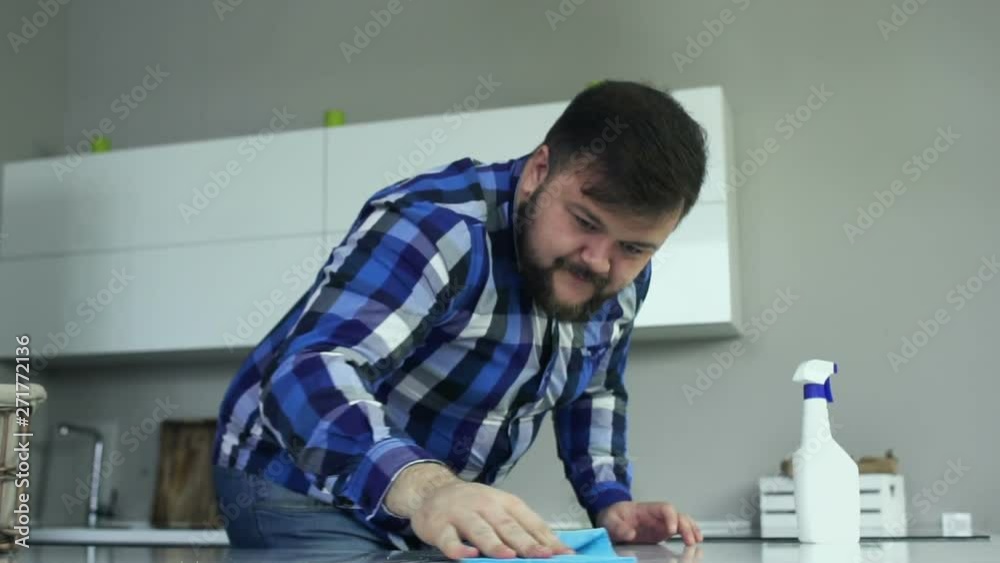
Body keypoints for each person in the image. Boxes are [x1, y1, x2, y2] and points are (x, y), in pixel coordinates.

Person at [211, 79, 709, 559]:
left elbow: (595, 388)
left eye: (633, 247)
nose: (598, 262)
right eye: (584, 221)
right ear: (539, 172)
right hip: (296, 481)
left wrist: (609, 499)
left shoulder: (624, 277)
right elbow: (309, 371)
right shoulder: (437, 227)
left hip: (424, 505)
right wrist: (427, 488)